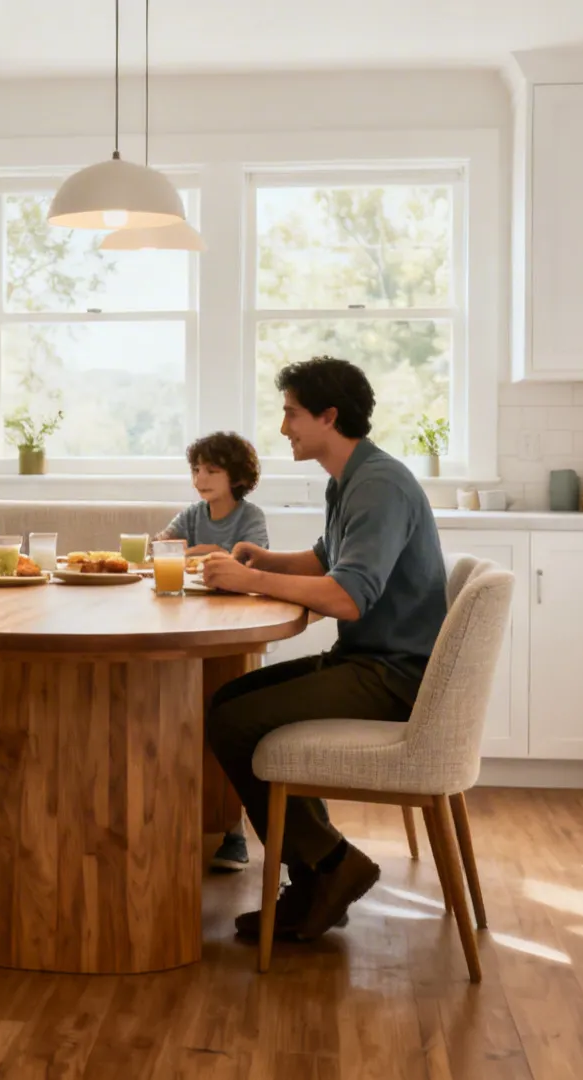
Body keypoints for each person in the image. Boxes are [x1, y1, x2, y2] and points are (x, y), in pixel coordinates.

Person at [201, 357, 448, 943]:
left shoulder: (379, 485)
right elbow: (324, 559)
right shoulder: (353, 477)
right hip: (373, 660)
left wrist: (251, 583)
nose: (283, 427)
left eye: (291, 413)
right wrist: (261, 561)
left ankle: (331, 867)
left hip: (394, 675)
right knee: (226, 701)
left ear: (329, 416)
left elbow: (348, 596)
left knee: (236, 720)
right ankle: (318, 870)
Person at [155, 431, 270, 873]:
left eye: (212, 470)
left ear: (236, 476)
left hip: (233, 625)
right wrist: (187, 550)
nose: (201, 478)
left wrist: (204, 551)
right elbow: (161, 547)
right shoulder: (192, 513)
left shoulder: (249, 516)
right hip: (191, 616)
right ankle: (178, 816)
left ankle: (232, 830)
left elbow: (251, 563)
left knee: (223, 709)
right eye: (197, 470)